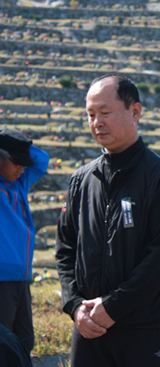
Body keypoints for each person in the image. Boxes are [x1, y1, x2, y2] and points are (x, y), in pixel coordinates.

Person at [55, 74, 160, 367]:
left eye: (105, 112)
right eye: (90, 115)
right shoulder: (81, 180)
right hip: (88, 328)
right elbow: (65, 249)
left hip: (145, 327)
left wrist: (113, 306)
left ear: (135, 111)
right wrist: (75, 306)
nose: (96, 122)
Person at [0, 128, 49, 362]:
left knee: (24, 339)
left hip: (22, 277)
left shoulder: (19, 183)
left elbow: (41, 161)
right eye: (16, 162)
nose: (22, 168)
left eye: (22, 163)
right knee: (3, 341)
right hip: (1, 279)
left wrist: (17, 144)